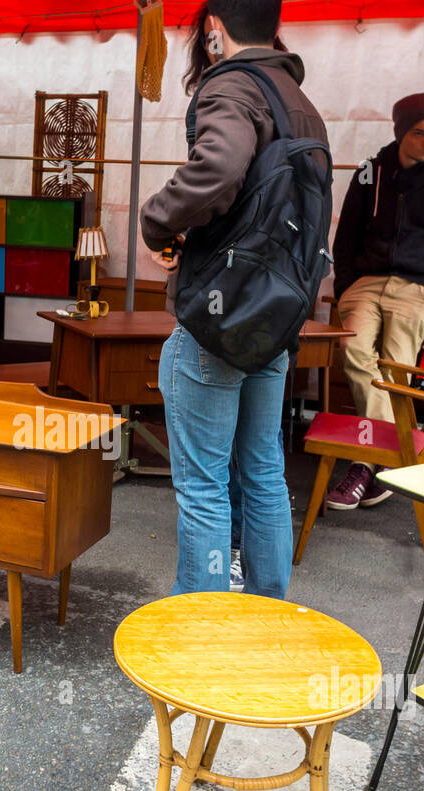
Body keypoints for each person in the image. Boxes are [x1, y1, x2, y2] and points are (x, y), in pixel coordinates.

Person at [140, 0, 329, 598]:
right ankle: (268, 618)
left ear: (213, 30)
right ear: (273, 27)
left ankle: (204, 637)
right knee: (265, 473)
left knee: (203, 486)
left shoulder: (232, 88)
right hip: (274, 317)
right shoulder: (303, 105)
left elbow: (219, 169)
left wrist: (156, 222)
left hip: (218, 316)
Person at [328, 92, 424, 509]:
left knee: (396, 369)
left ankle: (364, 462)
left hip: (420, 288)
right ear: (400, 133)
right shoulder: (368, 175)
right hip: (366, 284)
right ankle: (386, 461)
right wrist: (345, 289)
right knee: (352, 348)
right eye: (419, 133)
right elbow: (345, 239)